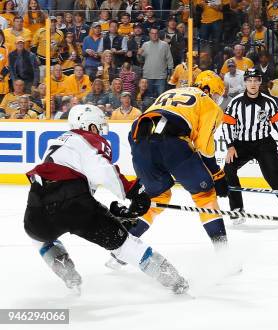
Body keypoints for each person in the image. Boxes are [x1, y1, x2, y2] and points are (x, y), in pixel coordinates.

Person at [24, 104, 188, 294]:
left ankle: (67, 273)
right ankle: (175, 281)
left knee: (38, 236)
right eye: (99, 126)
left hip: (37, 202)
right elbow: (101, 170)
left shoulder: (58, 142)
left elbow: (68, 188)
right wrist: (132, 191)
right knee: (126, 245)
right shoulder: (87, 138)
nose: (101, 132)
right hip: (74, 202)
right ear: (89, 126)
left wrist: (111, 213)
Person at [106, 70, 230, 270]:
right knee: (205, 196)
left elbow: (135, 134)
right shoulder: (208, 103)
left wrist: (145, 170)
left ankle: (119, 254)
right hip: (172, 144)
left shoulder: (168, 94)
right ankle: (225, 257)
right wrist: (217, 175)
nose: (216, 99)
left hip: (140, 144)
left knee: (157, 199)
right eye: (216, 94)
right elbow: (204, 147)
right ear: (208, 89)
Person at [222, 69, 278, 224]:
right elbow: (227, 125)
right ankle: (237, 210)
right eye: (249, 80)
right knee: (228, 170)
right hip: (241, 143)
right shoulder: (236, 102)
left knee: (274, 174)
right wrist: (230, 146)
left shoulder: (269, 102)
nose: (252, 84)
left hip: (264, 143)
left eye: (256, 80)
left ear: (260, 82)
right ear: (245, 82)